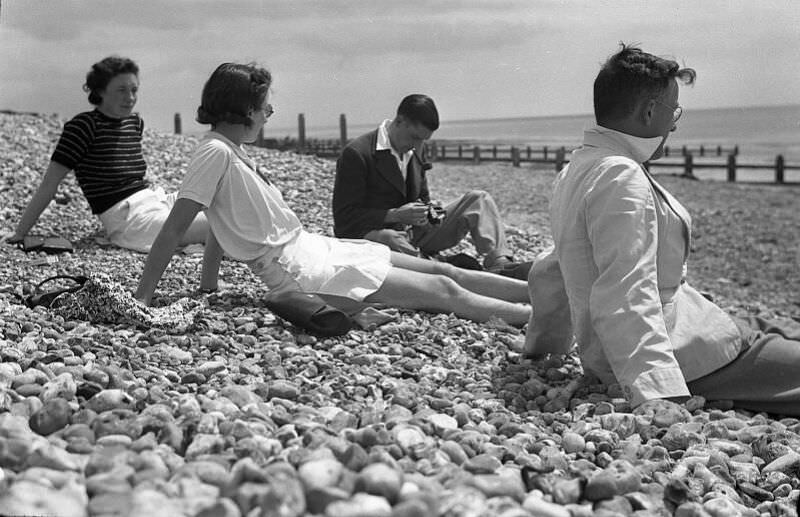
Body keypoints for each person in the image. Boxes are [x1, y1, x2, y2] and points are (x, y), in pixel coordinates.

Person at [135, 63, 531, 328]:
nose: (270, 110)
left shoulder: (231, 150)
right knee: (445, 292)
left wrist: (208, 286)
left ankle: (550, 294)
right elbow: (173, 230)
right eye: (264, 104)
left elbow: (221, 222)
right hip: (304, 272)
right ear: (245, 107)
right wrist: (141, 300)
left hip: (318, 248)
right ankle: (535, 314)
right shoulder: (215, 152)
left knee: (447, 272)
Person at [525, 44, 800, 415]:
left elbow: (555, 267)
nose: (674, 124)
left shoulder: (576, 170)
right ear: (651, 111)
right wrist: (658, 394)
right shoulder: (620, 176)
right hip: (679, 349)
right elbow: (626, 289)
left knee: (778, 326)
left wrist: (543, 345)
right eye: (674, 111)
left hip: (679, 325)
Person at [3, 56, 208, 252]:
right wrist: (20, 233)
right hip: (131, 220)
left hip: (156, 200)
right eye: (121, 90)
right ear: (100, 91)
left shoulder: (133, 123)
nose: (130, 98)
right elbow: (50, 184)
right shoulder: (83, 127)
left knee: (223, 201)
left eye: (134, 90)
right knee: (215, 224)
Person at [332, 94, 527, 277]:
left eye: (423, 140)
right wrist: (394, 215)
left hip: (413, 234)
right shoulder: (357, 153)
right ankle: (437, 266)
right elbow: (344, 220)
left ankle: (501, 265)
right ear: (399, 122)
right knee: (389, 238)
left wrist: (432, 214)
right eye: (415, 137)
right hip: (374, 237)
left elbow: (423, 200)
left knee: (478, 199)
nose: (418, 145)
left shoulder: (415, 148)